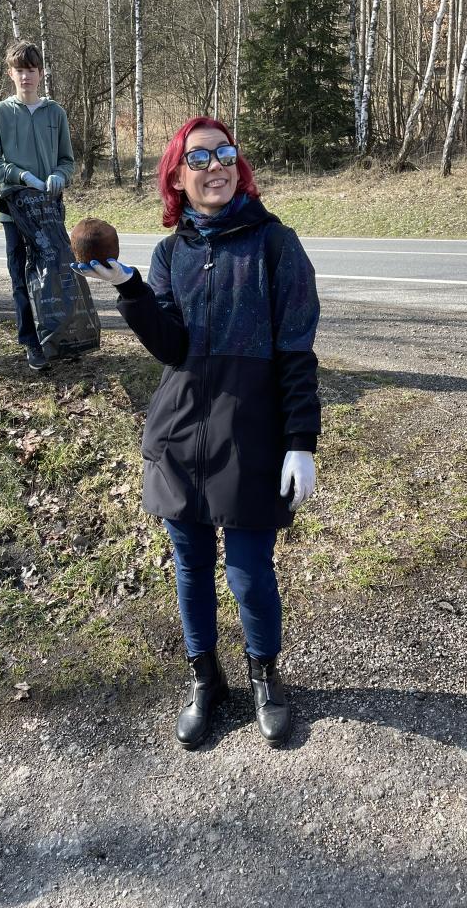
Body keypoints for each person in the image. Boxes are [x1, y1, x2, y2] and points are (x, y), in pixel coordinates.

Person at [73, 117, 321, 750]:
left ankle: (264, 677)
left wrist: (301, 442)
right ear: (177, 178)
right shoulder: (170, 254)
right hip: (179, 432)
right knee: (190, 566)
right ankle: (205, 679)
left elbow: (296, 350)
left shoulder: (275, 245)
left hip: (251, 433)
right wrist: (130, 289)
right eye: (200, 158)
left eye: (226, 154)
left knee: (248, 571)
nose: (217, 166)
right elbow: (172, 347)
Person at [0, 39, 74, 370]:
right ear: (11, 74)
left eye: (31, 70)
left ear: (41, 73)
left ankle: (59, 337)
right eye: (20, 70)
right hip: (14, 212)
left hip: (49, 211)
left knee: (55, 273)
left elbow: (67, 160)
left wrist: (59, 175)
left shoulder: (55, 113)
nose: (26, 76)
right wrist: (20, 176)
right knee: (19, 276)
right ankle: (30, 342)